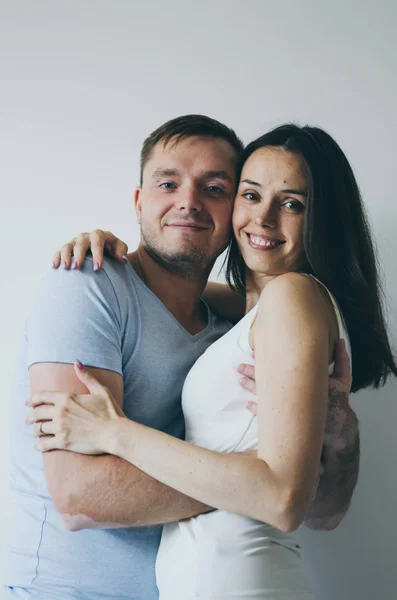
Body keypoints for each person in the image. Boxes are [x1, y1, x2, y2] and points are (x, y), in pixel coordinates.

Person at [25, 119, 396, 600]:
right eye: (251, 194)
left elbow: (292, 503)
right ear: (139, 200)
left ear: (321, 220)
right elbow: (78, 497)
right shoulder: (226, 315)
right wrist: (112, 259)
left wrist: (116, 433)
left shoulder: (291, 298)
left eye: (291, 203)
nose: (262, 220)